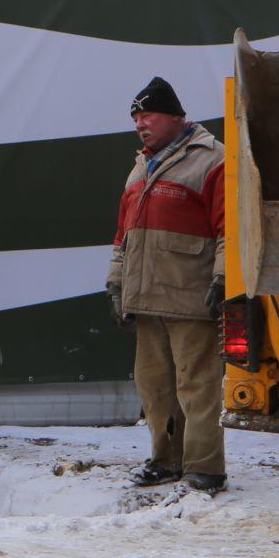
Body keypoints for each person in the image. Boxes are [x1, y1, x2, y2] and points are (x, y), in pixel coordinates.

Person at [107, 76, 227, 493]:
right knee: (155, 388)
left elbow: (231, 227)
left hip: (191, 295)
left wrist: (223, 278)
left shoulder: (212, 160)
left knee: (197, 386)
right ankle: (164, 461)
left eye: (148, 115)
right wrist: (116, 284)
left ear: (176, 116)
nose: (141, 124)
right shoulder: (140, 167)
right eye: (136, 117)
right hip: (147, 299)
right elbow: (124, 237)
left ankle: (205, 467)